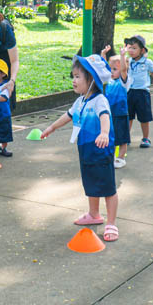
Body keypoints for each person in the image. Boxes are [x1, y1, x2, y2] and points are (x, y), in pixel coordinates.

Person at [41, 54, 119, 242]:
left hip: (101, 150)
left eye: (78, 77)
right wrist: (52, 127)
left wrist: (104, 133)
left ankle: (111, 223)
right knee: (90, 182)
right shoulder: (80, 101)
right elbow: (67, 116)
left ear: (91, 80)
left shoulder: (99, 100)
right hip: (86, 150)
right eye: (73, 76)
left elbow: (105, 116)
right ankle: (94, 214)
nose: (74, 80)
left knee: (108, 187)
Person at [124, 35, 153, 148]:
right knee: (128, 116)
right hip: (129, 92)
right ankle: (126, 137)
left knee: (144, 118)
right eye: (129, 47)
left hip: (142, 93)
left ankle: (145, 138)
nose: (131, 50)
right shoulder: (128, 61)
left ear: (142, 50)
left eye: (134, 48)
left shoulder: (147, 62)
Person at [100, 45, 129, 168]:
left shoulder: (124, 82)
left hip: (121, 113)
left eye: (115, 69)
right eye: (111, 69)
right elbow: (103, 69)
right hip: (110, 114)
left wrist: (122, 56)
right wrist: (103, 54)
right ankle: (111, 157)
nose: (111, 71)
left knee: (122, 138)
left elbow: (123, 70)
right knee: (111, 137)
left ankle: (121, 158)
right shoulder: (110, 80)